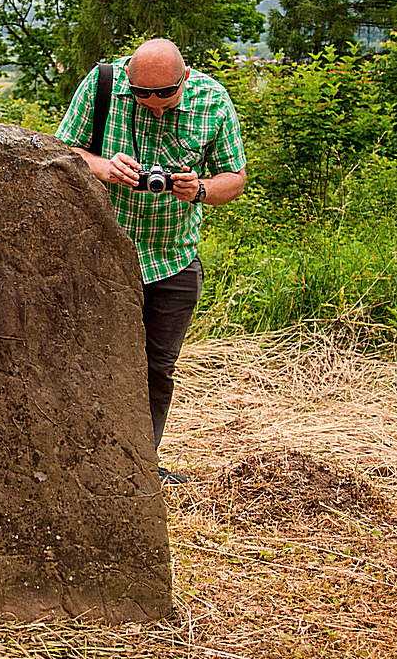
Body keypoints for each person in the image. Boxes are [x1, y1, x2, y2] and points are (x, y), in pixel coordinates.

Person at [55, 38, 246, 483]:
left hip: (173, 258)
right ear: (128, 80)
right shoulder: (102, 84)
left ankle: (138, 466)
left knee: (156, 367)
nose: (155, 105)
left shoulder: (212, 100)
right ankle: (79, 458)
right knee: (88, 357)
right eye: (144, 95)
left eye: (166, 95)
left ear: (184, 79)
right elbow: (61, 153)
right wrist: (103, 168)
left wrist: (199, 189)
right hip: (99, 254)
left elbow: (234, 179)